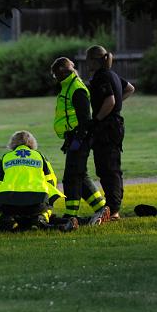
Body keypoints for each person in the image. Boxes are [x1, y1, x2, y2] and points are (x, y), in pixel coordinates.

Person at [50, 57, 111, 225]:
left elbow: (85, 118)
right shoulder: (68, 86)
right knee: (80, 175)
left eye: (56, 75)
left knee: (71, 177)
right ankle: (102, 208)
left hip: (80, 138)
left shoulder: (76, 89)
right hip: (75, 138)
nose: (55, 78)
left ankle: (71, 215)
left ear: (62, 72)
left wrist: (78, 139)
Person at [0, 131, 76, 231]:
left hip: (10, 205)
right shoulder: (39, 156)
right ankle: (41, 219)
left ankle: (8, 222)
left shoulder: (6, 157)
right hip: (36, 204)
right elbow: (51, 181)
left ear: (13, 143)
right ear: (32, 143)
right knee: (49, 200)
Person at [85, 45, 135, 221]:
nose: (86, 63)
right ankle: (114, 207)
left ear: (94, 60)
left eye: (88, 59)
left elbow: (110, 100)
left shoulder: (101, 77)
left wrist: (97, 119)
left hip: (106, 127)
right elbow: (130, 88)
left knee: (107, 168)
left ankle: (113, 210)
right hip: (115, 125)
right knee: (112, 167)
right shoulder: (112, 74)